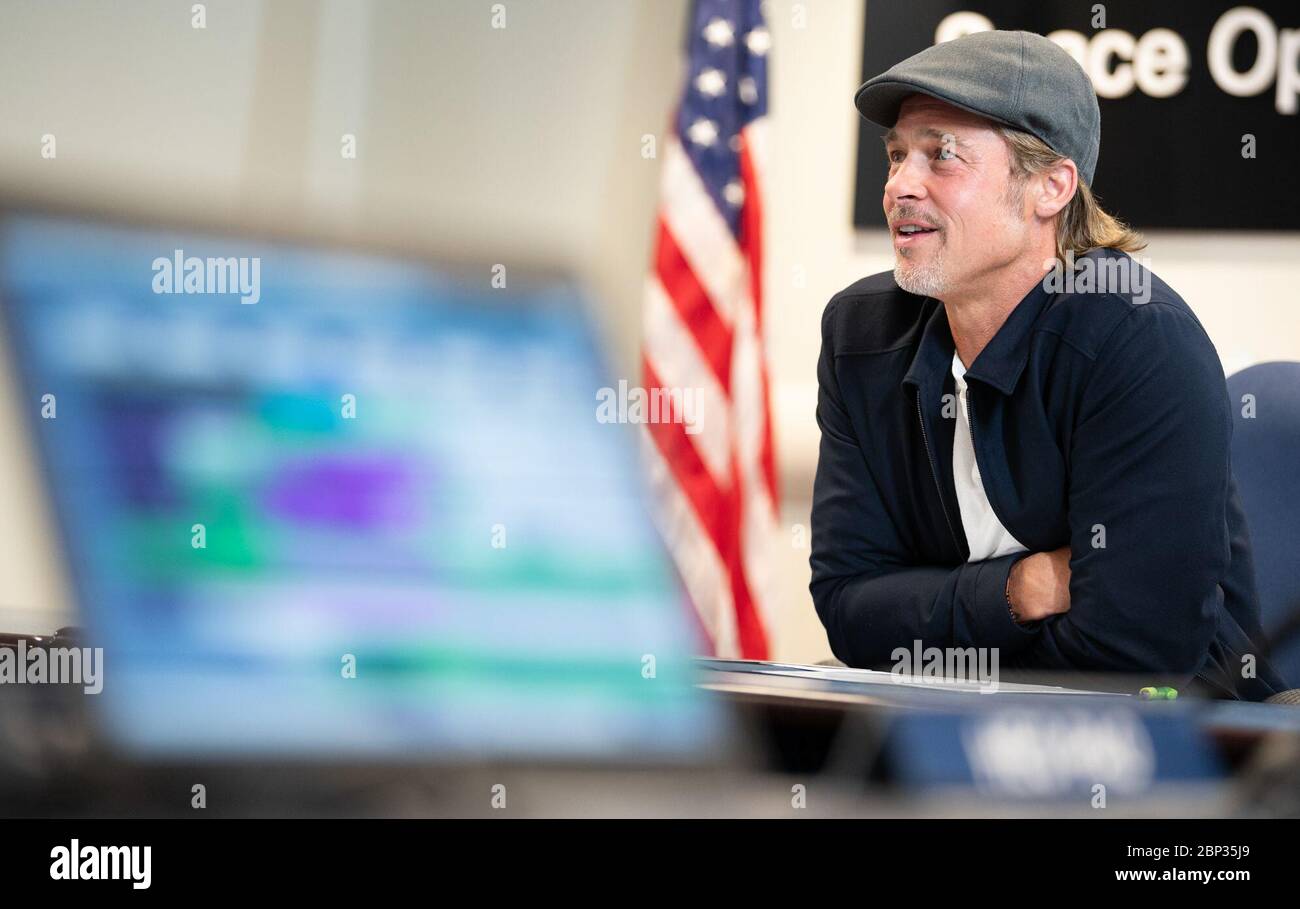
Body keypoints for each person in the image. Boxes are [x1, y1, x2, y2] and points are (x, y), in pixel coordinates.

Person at [809, 29, 1285, 700]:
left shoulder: (1138, 338)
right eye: (896, 155)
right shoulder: (859, 334)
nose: (899, 186)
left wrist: (939, 634)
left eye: (941, 155)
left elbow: (1134, 653)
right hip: (941, 727)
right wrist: (1018, 588)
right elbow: (847, 605)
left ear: (1050, 187)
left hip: (1180, 747)